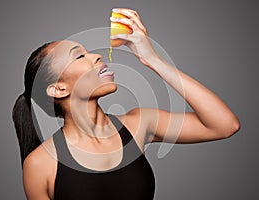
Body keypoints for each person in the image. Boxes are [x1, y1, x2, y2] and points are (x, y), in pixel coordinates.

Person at [12, 8, 240, 200]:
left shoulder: (139, 124)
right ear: (59, 89)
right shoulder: (40, 164)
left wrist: (152, 60)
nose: (96, 56)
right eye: (79, 56)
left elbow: (224, 125)